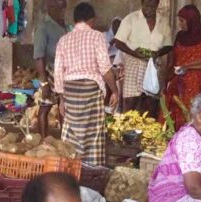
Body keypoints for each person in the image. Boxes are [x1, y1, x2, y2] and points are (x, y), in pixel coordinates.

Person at [54, 2, 119, 166]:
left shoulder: (63, 39)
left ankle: (70, 169)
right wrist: (115, 91)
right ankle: (93, 171)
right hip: (90, 89)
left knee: (71, 133)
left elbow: (58, 72)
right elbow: (105, 68)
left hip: (70, 90)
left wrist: (62, 99)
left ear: (75, 20)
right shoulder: (97, 36)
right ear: (92, 20)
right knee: (93, 134)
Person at [114, 0, 172, 116]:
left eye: (153, 6)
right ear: (142, 4)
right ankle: (128, 130)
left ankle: (148, 129)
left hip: (154, 65)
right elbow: (118, 42)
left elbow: (168, 45)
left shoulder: (163, 22)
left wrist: (158, 53)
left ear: (157, 5)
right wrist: (133, 52)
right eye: (147, 5)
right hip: (134, 63)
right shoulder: (131, 19)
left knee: (151, 101)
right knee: (131, 100)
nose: (149, 9)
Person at [165, 4, 201, 129]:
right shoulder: (180, 36)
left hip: (194, 83)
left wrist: (187, 66)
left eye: (182, 21)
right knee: (174, 110)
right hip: (177, 80)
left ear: (191, 21)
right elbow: (174, 57)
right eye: (179, 20)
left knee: (189, 111)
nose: (180, 24)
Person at [33, 0, 70, 138]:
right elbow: (38, 56)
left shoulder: (65, 26)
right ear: (50, 7)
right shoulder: (44, 27)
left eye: (64, 7)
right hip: (50, 71)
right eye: (59, 7)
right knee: (45, 107)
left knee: (63, 106)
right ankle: (43, 141)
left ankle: (64, 139)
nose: (62, 11)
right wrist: (44, 82)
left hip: (65, 72)